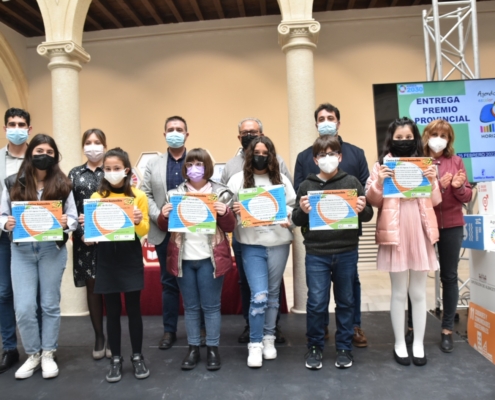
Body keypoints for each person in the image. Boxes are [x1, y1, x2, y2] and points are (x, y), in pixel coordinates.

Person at [292, 135, 373, 370]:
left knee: (346, 301)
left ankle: (344, 347)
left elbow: (367, 214)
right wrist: (304, 210)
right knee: (316, 302)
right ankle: (315, 346)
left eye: (332, 154)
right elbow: (296, 218)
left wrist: (362, 208)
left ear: (340, 156)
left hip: (346, 251)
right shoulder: (306, 186)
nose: (327, 158)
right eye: (322, 155)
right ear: (315, 160)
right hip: (317, 252)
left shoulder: (352, 182)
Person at [0, 133, 77, 379]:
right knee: (23, 307)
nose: (44, 155)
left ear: (55, 156)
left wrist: (67, 222)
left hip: (50, 250)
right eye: (39, 150)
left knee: (49, 304)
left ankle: (48, 353)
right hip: (21, 250)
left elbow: (73, 217)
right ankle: (32, 354)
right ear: (30, 152)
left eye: (49, 152)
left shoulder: (64, 184)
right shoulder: (13, 182)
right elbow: (1, 215)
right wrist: (6, 223)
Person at [365, 117, 441, 366]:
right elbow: (373, 201)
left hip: (420, 229)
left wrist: (431, 180)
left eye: (408, 138)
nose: (404, 142)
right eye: (399, 138)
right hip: (394, 231)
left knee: (418, 292)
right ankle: (399, 342)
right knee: (398, 292)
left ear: (415, 138)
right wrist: (379, 181)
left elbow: (436, 200)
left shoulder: (425, 164)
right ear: (391, 140)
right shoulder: (381, 165)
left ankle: (418, 343)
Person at [157, 148, 235, 371]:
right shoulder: (175, 193)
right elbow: (165, 226)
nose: (194, 168)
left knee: (211, 307)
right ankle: (193, 349)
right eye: (189, 164)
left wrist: (225, 213)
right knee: (190, 307)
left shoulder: (222, 193)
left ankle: (212, 348)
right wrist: (163, 215)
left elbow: (231, 227)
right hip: (184, 257)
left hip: (210, 257)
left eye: (199, 164)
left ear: (207, 167)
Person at [79, 147, 150, 383]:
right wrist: (86, 231)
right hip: (106, 259)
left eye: (116, 168)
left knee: (134, 310)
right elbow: (91, 238)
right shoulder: (97, 199)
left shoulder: (138, 196)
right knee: (112, 311)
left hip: (130, 257)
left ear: (126, 170)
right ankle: (116, 358)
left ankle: (137, 356)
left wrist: (138, 221)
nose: (112, 172)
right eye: (107, 169)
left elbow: (143, 230)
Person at [220, 117, 292, 344]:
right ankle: (255, 340)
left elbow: (293, 206)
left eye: (265, 153)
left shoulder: (281, 180)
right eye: (256, 152)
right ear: (249, 154)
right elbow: (223, 211)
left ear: (271, 156)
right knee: (258, 294)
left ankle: (269, 337)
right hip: (250, 244)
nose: (261, 156)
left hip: (278, 242)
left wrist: (287, 217)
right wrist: (234, 210)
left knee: (272, 295)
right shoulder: (236, 179)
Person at [405, 119, 472, 353]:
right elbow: (412, 193)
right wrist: (437, 186)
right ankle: (412, 326)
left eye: (444, 135)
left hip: (452, 225)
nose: (439, 138)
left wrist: (458, 187)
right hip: (424, 224)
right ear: (426, 135)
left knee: (449, 276)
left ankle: (446, 331)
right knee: (416, 275)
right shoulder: (417, 161)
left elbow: (466, 196)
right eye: (435, 133)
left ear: (449, 139)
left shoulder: (456, 161)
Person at [142, 116, 205, 349]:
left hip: (194, 232)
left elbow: (208, 191)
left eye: (179, 129)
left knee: (196, 281)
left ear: (187, 134)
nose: (175, 132)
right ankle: (169, 331)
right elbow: (145, 193)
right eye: (171, 129)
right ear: (164, 134)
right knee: (169, 283)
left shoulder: (198, 160)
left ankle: (200, 328)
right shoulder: (153, 164)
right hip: (164, 231)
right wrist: (159, 214)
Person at [68, 128, 109, 360]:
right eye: (89, 142)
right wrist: (83, 232)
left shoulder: (112, 170)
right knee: (92, 288)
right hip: (85, 241)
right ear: (83, 146)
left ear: (104, 145)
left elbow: (121, 203)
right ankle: (99, 337)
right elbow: (70, 208)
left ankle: (112, 336)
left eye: (97, 142)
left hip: (110, 239)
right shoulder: (74, 174)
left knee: (110, 287)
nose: (93, 146)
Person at [0, 108, 32, 374]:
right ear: (4, 128)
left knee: (36, 295)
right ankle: (10, 347)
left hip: (35, 236)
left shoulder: (40, 157)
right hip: (3, 235)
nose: (16, 128)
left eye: (21, 124)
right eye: (12, 124)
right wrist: (3, 222)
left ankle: (42, 347)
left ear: (29, 129)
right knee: (3, 292)